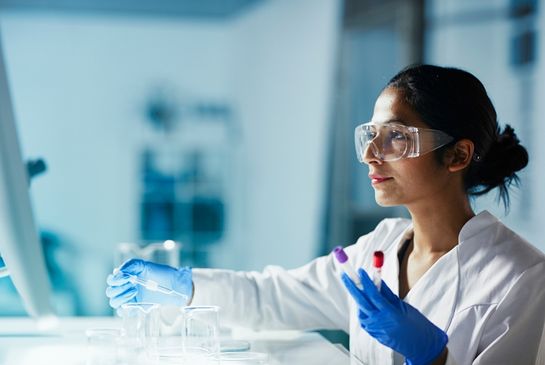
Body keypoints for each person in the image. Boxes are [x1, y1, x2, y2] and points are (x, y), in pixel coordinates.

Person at [106, 65, 545, 365]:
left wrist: (434, 357)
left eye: (395, 137)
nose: (371, 155)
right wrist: (185, 286)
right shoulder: (378, 249)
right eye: (370, 136)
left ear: (458, 154)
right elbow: (271, 298)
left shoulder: (521, 275)